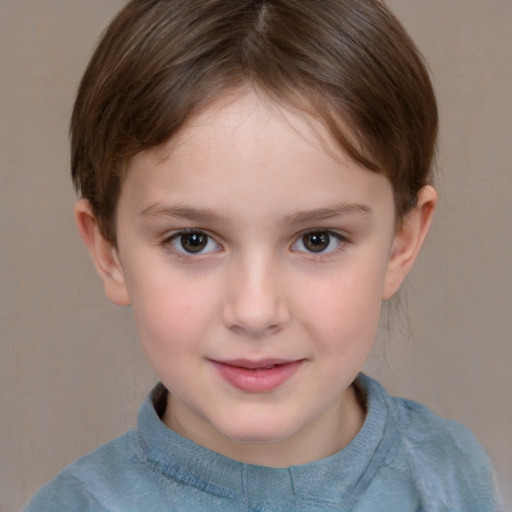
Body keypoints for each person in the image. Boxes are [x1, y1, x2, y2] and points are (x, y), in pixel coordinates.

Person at [25, 0, 497, 510]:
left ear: (400, 244)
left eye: (317, 239)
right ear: (109, 250)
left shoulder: (453, 475)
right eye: (193, 240)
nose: (255, 311)